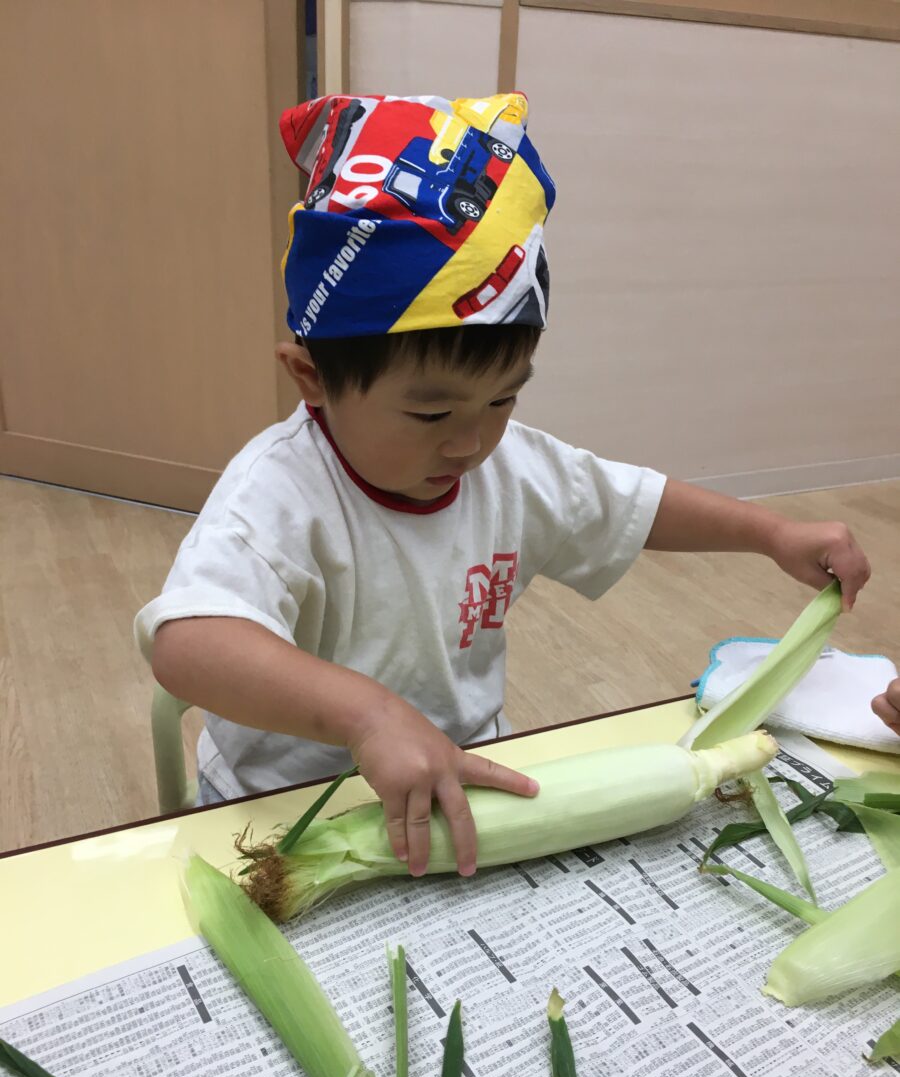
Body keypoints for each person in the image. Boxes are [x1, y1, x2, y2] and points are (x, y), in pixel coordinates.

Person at [134, 92, 871, 878]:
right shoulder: (281, 493)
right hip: (288, 808)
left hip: (462, 780)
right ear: (312, 377)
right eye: (430, 412)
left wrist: (771, 533)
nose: (471, 441)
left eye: (502, 399)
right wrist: (368, 718)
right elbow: (189, 646)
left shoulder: (510, 465)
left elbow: (632, 504)